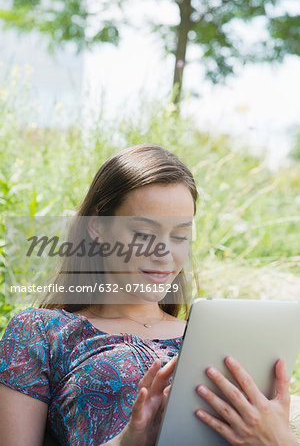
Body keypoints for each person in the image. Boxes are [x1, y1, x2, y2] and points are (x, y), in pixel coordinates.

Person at [0, 144, 298, 446]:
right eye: (144, 234)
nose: (164, 253)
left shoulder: (220, 340)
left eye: (180, 235)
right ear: (97, 227)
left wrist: (278, 439)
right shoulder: (40, 332)